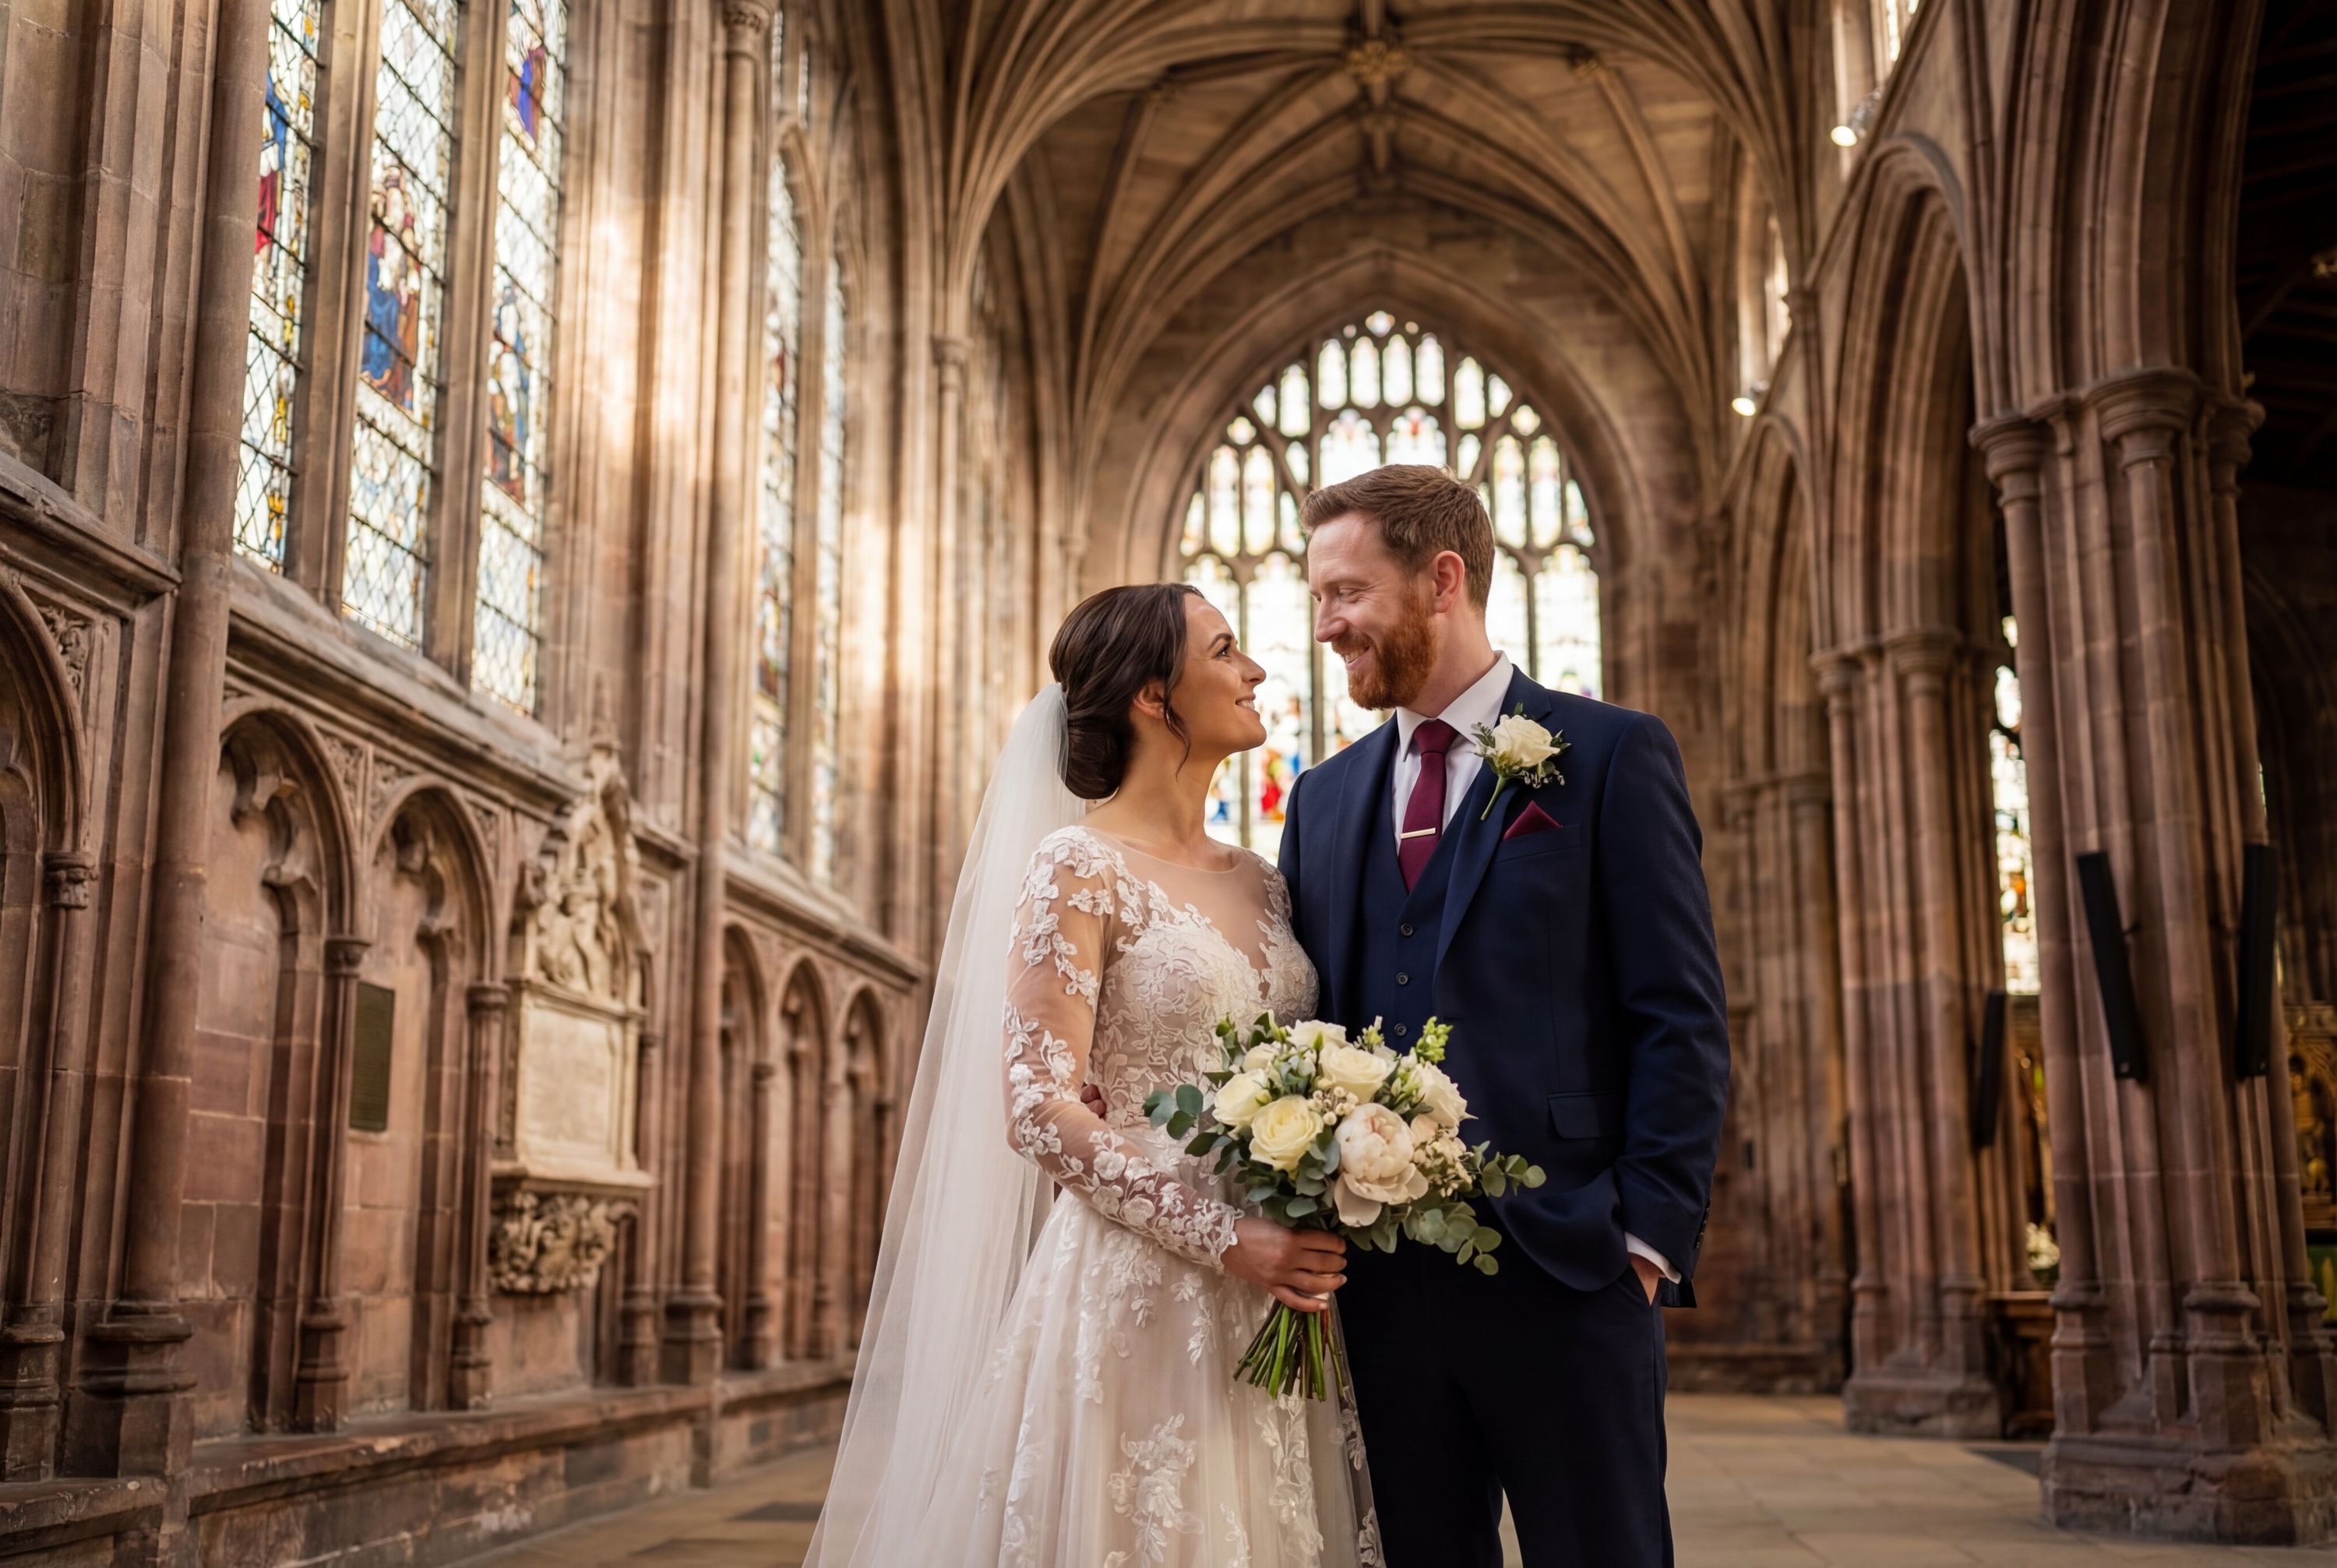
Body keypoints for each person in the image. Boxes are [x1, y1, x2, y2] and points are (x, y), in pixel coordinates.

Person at [805, 583, 1377, 1568]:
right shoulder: (1076, 864)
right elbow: (1037, 1107)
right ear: (1155, 697)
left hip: (1281, 1286)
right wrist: (1223, 1235)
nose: (1256, 672)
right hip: (1147, 1286)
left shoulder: (1266, 880)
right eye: (1227, 651)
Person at [1279, 464, 1729, 1567]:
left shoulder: (1612, 753)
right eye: (1319, 598)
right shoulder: (1323, 799)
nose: (1327, 624)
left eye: (1347, 593)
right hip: (1378, 1301)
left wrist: (1645, 1241)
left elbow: (1679, 1012)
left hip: (1572, 1273)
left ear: (1442, 579)